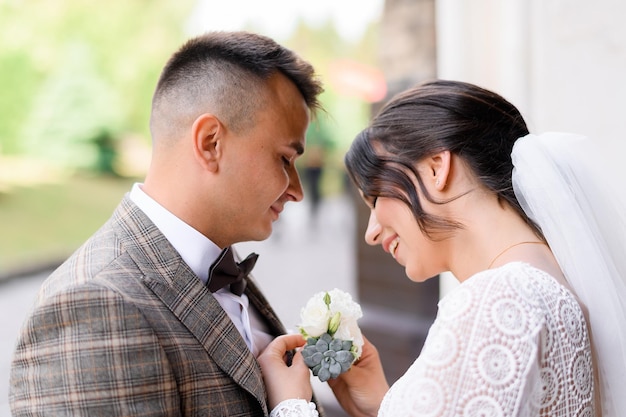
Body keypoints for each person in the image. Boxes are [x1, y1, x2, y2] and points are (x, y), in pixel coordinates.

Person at [257, 80, 626, 416]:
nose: (371, 232)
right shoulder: (553, 282)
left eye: (376, 198)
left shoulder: (495, 301)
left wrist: (290, 404)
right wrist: (381, 406)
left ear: (436, 168)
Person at [10, 31, 325, 416]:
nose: (297, 191)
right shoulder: (95, 305)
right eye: (284, 159)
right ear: (211, 143)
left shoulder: (220, 260)